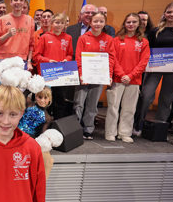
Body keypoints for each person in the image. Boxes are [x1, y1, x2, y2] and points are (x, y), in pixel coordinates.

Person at [135, 2, 173, 134]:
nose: (171, 14)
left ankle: (159, 128)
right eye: (169, 12)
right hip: (155, 66)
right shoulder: (155, 31)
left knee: (166, 99)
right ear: (164, 13)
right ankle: (139, 124)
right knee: (146, 95)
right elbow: (148, 50)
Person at [74, 12, 119, 140]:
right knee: (79, 103)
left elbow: (111, 59)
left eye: (101, 21)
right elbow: (78, 58)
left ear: (105, 23)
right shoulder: (83, 38)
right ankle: (76, 129)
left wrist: (108, 75)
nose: (98, 24)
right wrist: (81, 74)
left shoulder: (109, 39)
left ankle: (88, 129)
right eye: (95, 21)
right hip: (83, 77)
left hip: (99, 76)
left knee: (92, 104)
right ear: (90, 22)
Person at [105, 13, 149, 143]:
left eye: (134, 22)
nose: (131, 24)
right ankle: (110, 132)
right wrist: (121, 74)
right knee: (113, 107)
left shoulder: (143, 42)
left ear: (138, 24)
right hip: (118, 78)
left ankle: (124, 133)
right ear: (124, 24)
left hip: (134, 80)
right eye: (128, 22)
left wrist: (130, 76)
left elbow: (144, 61)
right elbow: (112, 59)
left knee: (129, 108)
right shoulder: (116, 40)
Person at [33, 13, 74, 119]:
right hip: (46, 74)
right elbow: (36, 56)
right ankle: (41, 126)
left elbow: (70, 54)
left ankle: (57, 127)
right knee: (43, 101)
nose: (59, 25)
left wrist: (67, 59)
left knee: (59, 102)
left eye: (62, 23)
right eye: (56, 22)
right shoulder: (45, 37)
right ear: (52, 23)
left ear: (65, 24)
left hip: (61, 75)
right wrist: (48, 60)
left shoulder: (68, 37)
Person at [0, 0, 35, 68]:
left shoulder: (29, 20)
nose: (18, 2)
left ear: (24, 3)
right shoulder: (2, 20)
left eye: (21, 0)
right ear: (11, 2)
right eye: (16, 0)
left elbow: (31, 43)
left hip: (22, 61)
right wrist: (6, 35)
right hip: (3, 60)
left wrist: (29, 61)